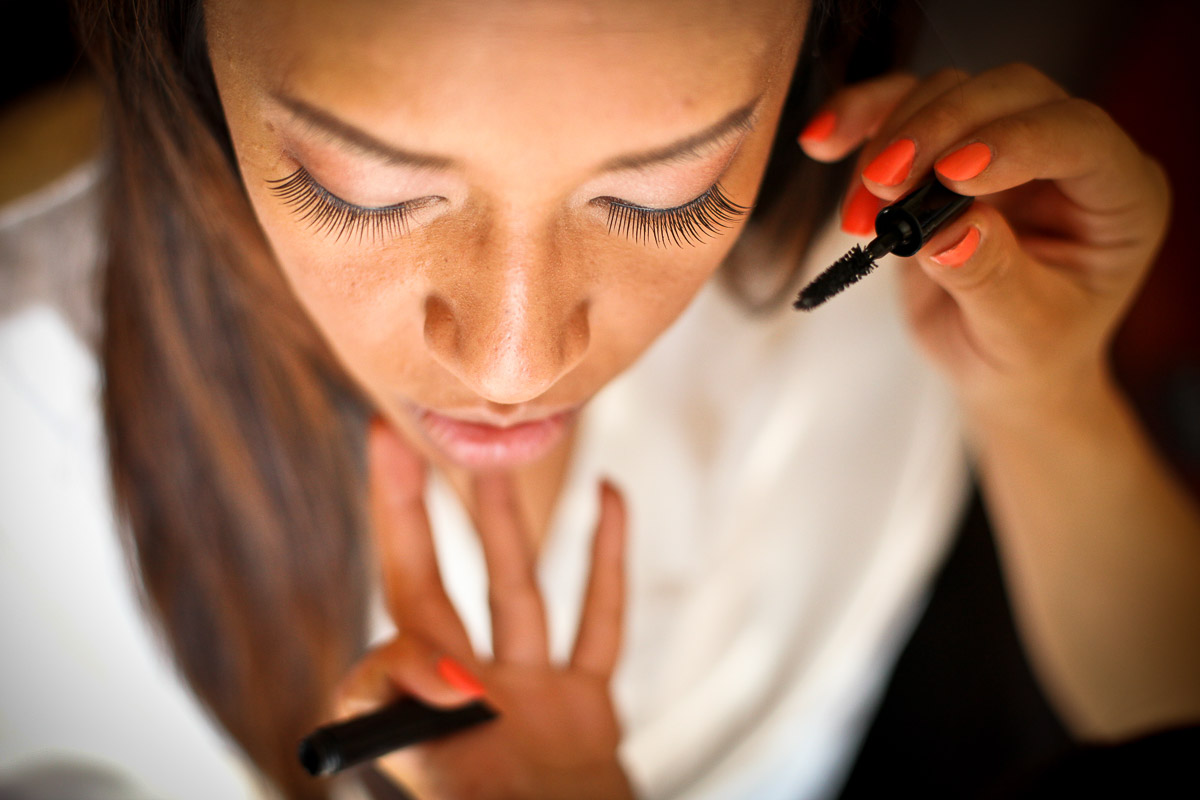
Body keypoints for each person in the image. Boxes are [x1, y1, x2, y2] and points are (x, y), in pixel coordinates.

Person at [2, 0, 1198, 798]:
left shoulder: (883, 308)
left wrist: (1047, 396)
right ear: (190, 65)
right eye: (362, 194)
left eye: (667, 196)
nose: (516, 361)